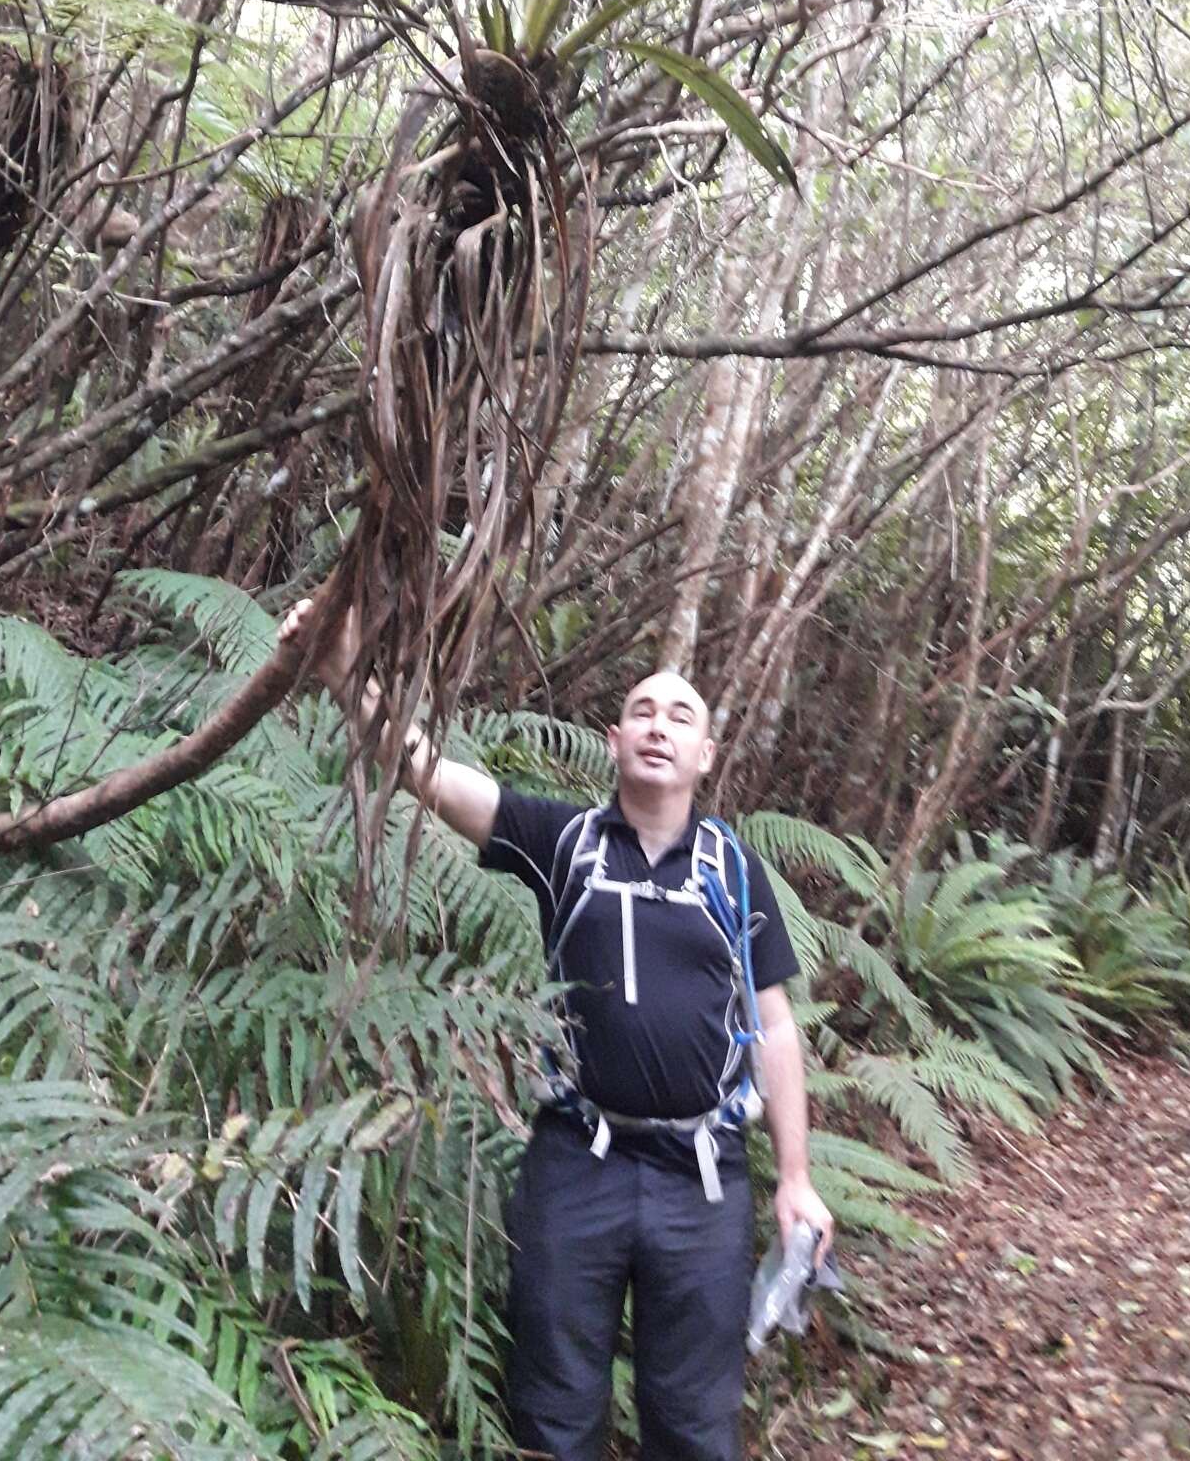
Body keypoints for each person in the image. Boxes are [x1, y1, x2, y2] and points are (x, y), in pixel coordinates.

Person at [279, 599, 833, 1461]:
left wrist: (795, 1178)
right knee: (553, 1410)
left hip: (705, 1183)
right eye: (642, 711)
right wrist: (344, 664)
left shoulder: (733, 868)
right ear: (613, 741)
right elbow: (425, 771)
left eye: (680, 716)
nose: (659, 727)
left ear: (705, 755)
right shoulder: (561, 840)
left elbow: (775, 1029)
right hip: (577, 1164)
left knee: (693, 1423)